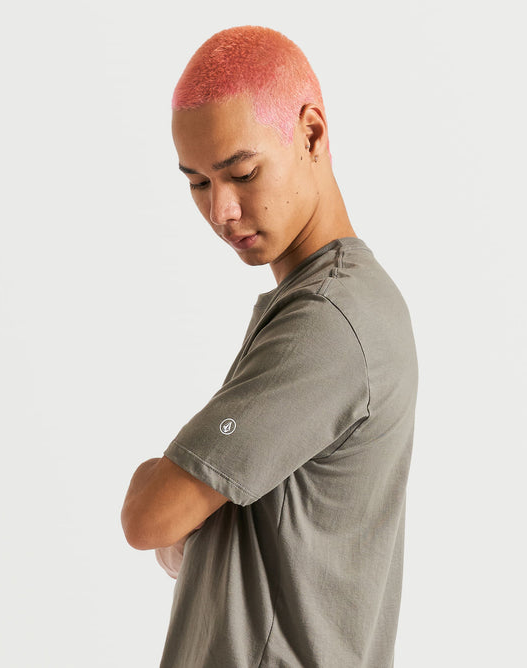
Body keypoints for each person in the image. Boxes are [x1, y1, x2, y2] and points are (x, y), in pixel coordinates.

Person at [121, 25, 419, 668]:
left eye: (242, 173)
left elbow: (150, 517)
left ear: (311, 134)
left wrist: (158, 486)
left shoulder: (327, 321)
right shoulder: (332, 303)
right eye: (198, 182)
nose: (220, 210)